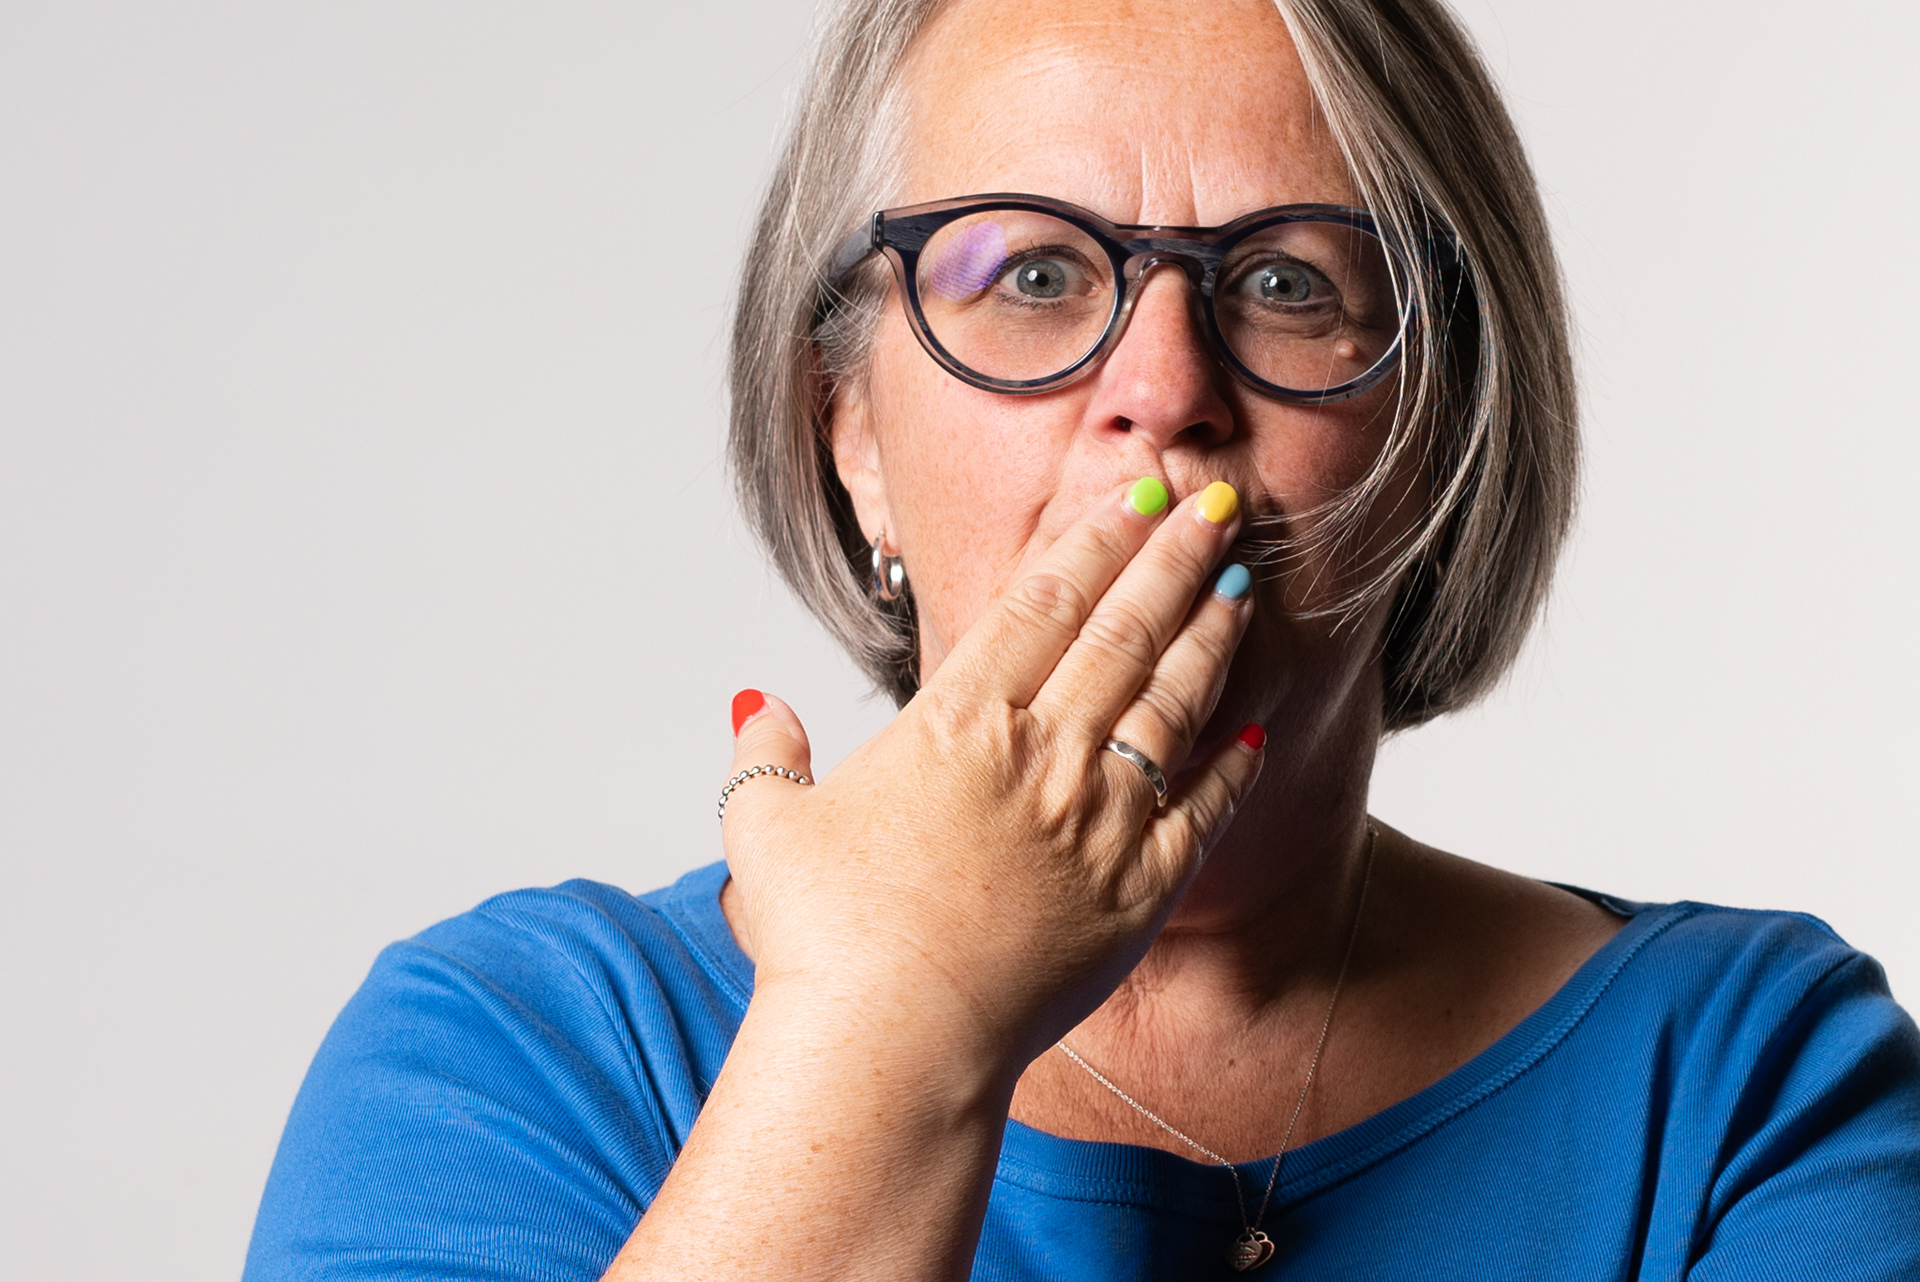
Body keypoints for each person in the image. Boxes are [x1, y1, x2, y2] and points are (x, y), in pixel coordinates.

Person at [243, 0, 1920, 1276]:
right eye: (1033, 276)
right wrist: (893, 1015)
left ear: (1438, 433)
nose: (1164, 392)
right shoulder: (511, 1052)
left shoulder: (1751, 1080)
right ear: (853, 437)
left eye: (1289, 284)